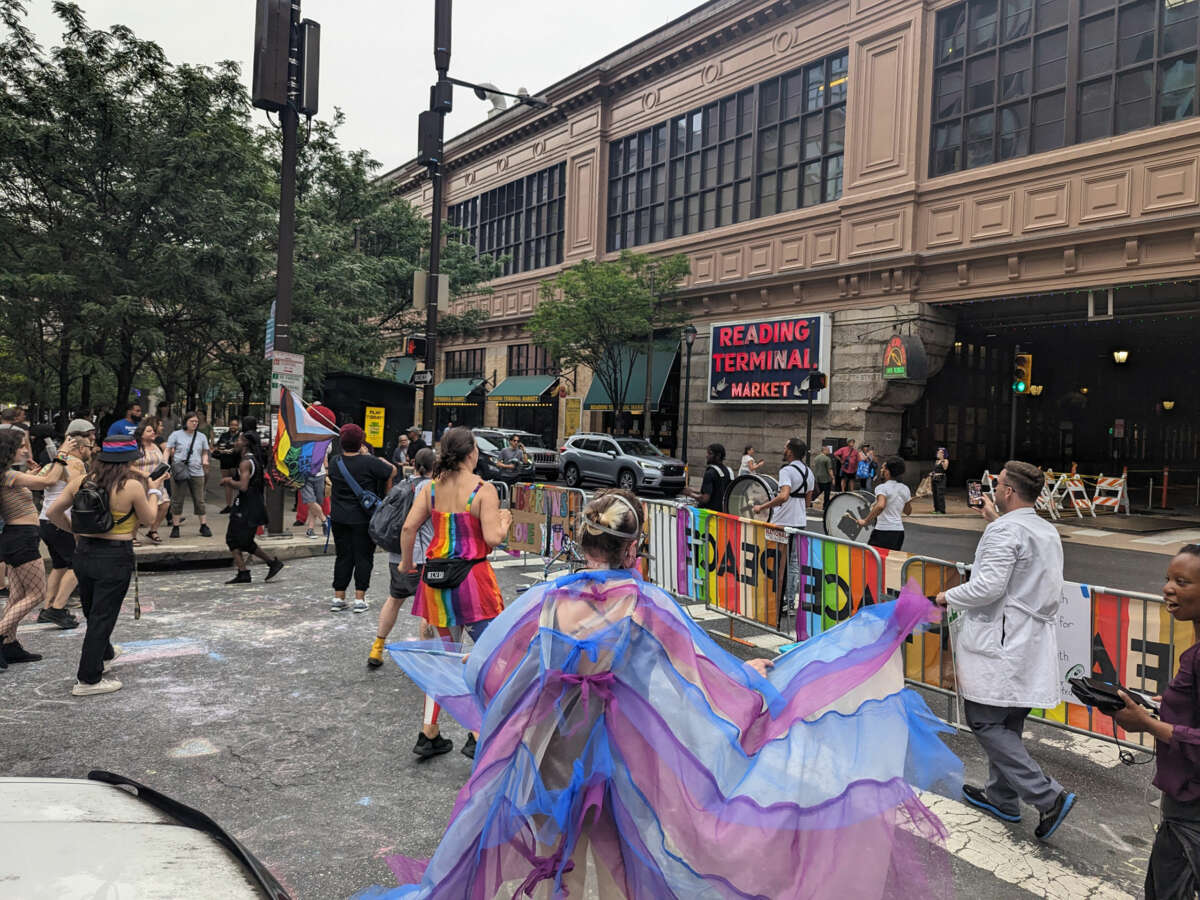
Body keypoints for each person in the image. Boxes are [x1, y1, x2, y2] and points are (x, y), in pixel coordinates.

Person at [366, 490, 963, 898]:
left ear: (580, 541)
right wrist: (755, 678)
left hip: (552, 742)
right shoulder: (643, 602)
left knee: (553, 841)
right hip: (625, 744)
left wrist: (499, 711)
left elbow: (499, 665)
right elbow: (700, 671)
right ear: (633, 548)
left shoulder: (552, 597)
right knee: (622, 843)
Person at [934, 460, 1075, 841]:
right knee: (1010, 720)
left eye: (997, 485)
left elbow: (987, 588)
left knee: (984, 720)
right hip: (1028, 640)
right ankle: (1002, 797)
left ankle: (1046, 796)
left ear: (1009, 490)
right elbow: (1017, 553)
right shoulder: (1044, 530)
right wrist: (993, 518)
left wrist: (948, 595)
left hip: (1003, 639)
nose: (993, 489)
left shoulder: (1004, 533)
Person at [398, 427, 510, 760]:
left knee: (445, 657)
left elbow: (408, 528)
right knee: (494, 652)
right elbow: (491, 539)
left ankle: (429, 733)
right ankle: (478, 732)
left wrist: (407, 563)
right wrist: (504, 521)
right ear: (471, 453)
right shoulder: (483, 490)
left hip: (436, 582)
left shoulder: (430, 489)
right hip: (473, 583)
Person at [1109, 545, 1200, 898]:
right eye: (1167, 579)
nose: (1167, 588)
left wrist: (1147, 723)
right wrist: (1162, 704)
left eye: (1182, 581)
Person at [47, 435, 166, 696]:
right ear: (130, 460)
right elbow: (149, 518)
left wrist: (75, 532)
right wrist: (155, 491)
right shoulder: (132, 485)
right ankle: (89, 678)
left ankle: (105, 652)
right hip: (115, 554)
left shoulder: (81, 481)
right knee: (103, 616)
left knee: (93, 610)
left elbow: (53, 512)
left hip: (84, 552)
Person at [0, 429, 72, 668]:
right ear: (8, 449)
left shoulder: (9, 475)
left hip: (17, 537)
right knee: (36, 595)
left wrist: (33, 471)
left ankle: (9, 645)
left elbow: (32, 483)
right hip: (21, 538)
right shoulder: (8, 475)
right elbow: (49, 482)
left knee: (18, 595)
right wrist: (62, 456)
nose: (25, 450)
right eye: (21, 446)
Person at [369, 448, 437, 670]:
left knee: (394, 599)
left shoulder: (403, 484)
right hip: (422, 557)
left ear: (414, 465)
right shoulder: (432, 489)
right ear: (434, 468)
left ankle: (377, 646)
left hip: (397, 554)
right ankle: (428, 660)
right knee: (429, 607)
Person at [328, 423, 396, 612]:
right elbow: (391, 471)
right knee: (363, 556)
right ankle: (359, 598)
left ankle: (338, 596)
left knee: (343, 556)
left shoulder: (335, 462)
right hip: (363, 517)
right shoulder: (369, 461)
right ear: (361, 442)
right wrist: (368, 456)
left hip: (339, 517)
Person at [37, 420, 96, 628]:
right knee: (77, 564)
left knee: (60, 565)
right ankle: (58, 609)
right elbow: (82, 490)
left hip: (45, 519)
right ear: (80, 447)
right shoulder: (76, 463)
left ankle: (47, 607)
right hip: (61, 519)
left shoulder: (56, 461)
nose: (92, 449)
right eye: (89, 446)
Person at [752, 438, 815, 622]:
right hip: (799, 521)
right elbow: (808, 502)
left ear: (790, 451)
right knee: (793, 563)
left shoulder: (786, 471)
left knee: (778, 563)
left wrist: (763, 506)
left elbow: (784, 496)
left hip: (783, 522)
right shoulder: (808, 472)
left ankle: (775, 603)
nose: (783, 449)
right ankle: (788, 602)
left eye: (785, 446)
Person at [221, 429, 284, 584]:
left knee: (232, 538)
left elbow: (243, 486)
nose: (236, 442)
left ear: (245, 444)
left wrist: (228, 481)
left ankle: (245, 572)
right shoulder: (254, 460)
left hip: (246, 507)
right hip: (253, 505)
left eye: (239, 440)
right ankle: (267, 565)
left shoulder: (245, 463)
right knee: (245, 541)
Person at [165, 411, 212, 539]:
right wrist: (165, 465)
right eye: (192, 421)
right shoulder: (176, 435)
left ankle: (203, 525)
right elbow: (168, 450)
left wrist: (205, 459)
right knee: (177, 499)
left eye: (196, 421)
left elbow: (204, 451)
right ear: (185, 422)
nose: (194, 424)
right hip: (179, 470)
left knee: (199, 499)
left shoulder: (201, 436)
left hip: (197, 471)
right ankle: (175, 526)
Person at [856, 456, 912, 551]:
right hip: (899, 532)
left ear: (887, 472)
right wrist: (906, 500)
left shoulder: (882, 488)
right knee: (890, 562)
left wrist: (865, 520)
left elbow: (880, 505)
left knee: (873, 559)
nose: (881, 470)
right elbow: (908, 511)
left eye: (883, 468)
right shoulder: (905, 488)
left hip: (883, 530)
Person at [131, 420, 170, 544]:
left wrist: (164, 473)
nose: (153, 432)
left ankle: (153, 530)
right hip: (140, 481)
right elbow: (128, 466)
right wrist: (143, 474)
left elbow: (160, 462)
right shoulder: (135, 447)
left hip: (156, 481)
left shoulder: (155, 446)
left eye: (153, 430)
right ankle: (132, 536)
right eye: (149, 431)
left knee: (165, 505)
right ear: (141, 434)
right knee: (139, 509)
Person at [683, 443, 733, 512]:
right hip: (724, 516)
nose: (707, 456)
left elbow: (705, 499)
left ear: (718, 456)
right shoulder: (729, 471)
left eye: (710, 453)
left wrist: (690, 494)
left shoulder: (710, 473)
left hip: (710, 516)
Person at [214, 417, 240, 513]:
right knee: (227, 483)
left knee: (237, 482)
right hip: (225, 461)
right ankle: (229, 505)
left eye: (235, 425)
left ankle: (238, 504)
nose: (233, 426)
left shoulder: (240, 436)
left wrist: (233, 449)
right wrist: (222, 450)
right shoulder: (224, 435)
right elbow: (218, 446)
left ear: (238, 426)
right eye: (232, 424)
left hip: (235, 462)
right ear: (229, 425)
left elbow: (240, 448)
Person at [811, 444, 835, 509]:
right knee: (826, 493)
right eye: (828, 450)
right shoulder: (827, 459)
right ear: (824, 450)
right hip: (826, 478)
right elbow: (829, 469)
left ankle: (810, 501)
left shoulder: (816, 458)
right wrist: (833, 478)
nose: (829, 451)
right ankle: (825, 506)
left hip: (817, 478)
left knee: (817, 491)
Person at [931, 447, 949, 514]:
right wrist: (932, 473)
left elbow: (945, 468)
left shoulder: (945, 460)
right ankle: (936, 509)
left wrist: (942, 460)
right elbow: (935, 470)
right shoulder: (936, 461)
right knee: (935, 494)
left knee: (940, 494)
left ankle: (942, 510)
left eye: (941, 452)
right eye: (938, 452)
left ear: (944, 454)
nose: (938, 453)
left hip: (941, 478)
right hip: (934, 478)